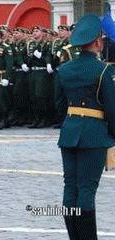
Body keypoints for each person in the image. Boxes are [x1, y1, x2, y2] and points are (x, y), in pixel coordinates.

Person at [57, 15, 115, 239]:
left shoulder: (65, 69)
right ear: (97, 42)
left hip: (70, 131)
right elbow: (112, 109)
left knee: (70, 187)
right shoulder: (104, 70)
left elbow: (59, 104)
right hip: (93, 134)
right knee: (87, 189)